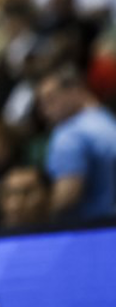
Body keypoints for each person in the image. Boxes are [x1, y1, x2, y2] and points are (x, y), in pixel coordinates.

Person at [35, 64, 116, 221]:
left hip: (89, 231)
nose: (44, 110)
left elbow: (67, 196)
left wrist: (39, 220)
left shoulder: (69, 134)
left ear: (75, 90)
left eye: (50, 99)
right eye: (41, 102)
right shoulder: (108, 121)